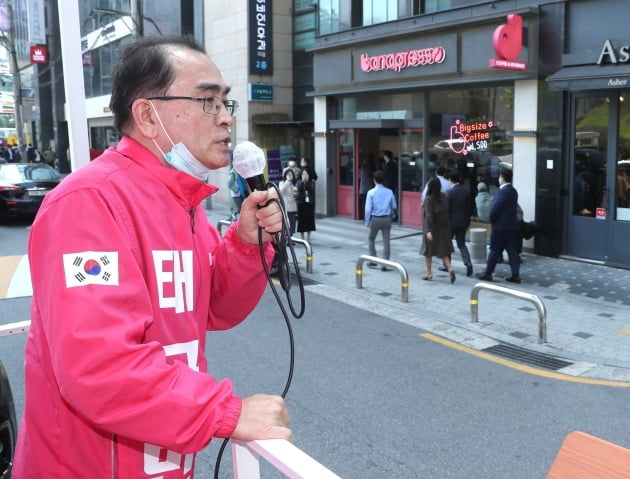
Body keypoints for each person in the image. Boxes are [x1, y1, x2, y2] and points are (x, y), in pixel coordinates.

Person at [13, 35, 291, 479]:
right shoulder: (88, 202)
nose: (224, 119)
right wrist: (226, 412)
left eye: (226, 103)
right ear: (147, 115)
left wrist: (243, 243)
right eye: (207, 102)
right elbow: (98, 365)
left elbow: (215, 307)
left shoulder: (185, 204)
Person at [476, 168, 521, 283]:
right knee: (512, 250)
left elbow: (495, 208)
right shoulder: (513, 191)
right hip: (511, 225)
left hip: (500, 226)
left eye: (500, 176)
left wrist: (491, 219)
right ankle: (516, 275)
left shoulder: (502, 192)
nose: (499, 179)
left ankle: (488, 273)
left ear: (502, 178)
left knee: (495, 250)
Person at [420, 177, 455, 283]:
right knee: (443, 250)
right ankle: (449, 268)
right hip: (443, 227)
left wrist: (429, 230)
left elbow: (429, 216)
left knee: (428, 252)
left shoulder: (429, 199)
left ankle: (429, 273)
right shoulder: (444, 197)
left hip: (432, 227)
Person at [364, 170, 397, 271]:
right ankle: (385, 263)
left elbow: (368, 208)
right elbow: (394, 206)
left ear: (374, 180)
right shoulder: (389, 191)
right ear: (383, 180)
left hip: (375, 219)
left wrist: (367, 221)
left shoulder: (371, 192)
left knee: (371, 238)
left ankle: (373, 260)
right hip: (387, 218)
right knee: (386, 240)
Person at [447, 170, 474, 277]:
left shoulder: (449, 193)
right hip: (463, 222)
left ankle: (447, 265)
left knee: (448, 244)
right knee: (461, 244)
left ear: (450, 180)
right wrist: (468, 221)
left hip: (451, 222)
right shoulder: (466, 192)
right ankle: (468, 262)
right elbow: (470, 208)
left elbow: (447, 209)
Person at [296, 168, 316, 242]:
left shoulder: (312, 182)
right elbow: (298, 189)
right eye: (303, 174)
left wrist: (306, 182)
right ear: (301, 175)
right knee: (302, 221)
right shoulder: (298, 182)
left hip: (310, 204)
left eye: (306, 174)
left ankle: (308, 238)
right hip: (301, 204)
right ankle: (302, 238)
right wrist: (302, 182)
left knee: (309, 221)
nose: (305, 176)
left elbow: (312, 189)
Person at [279, 167, 298, 235]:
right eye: (288, 174)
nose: (290, 176)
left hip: (293, 205)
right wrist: (287, 182)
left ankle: (291, 237)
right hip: (286, 206)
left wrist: (296, 195)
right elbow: (281, 191)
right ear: (285, 175)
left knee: (293, 223)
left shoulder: (294, 184)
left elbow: (295, 195)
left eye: (291, 174)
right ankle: (287, 238)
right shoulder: (282, 183)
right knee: (287, 222)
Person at [359, 154, 376, 219]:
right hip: (371, 188)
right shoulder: (372, 168)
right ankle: (370, 216)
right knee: (370, 204)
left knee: (364, 204)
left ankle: (364, 216)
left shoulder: (363, 167)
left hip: (363, 189)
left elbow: (360, 176)